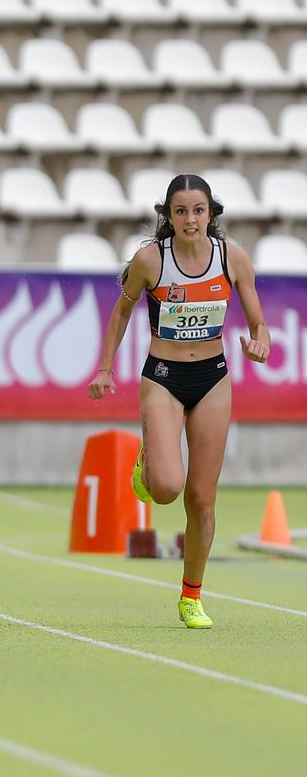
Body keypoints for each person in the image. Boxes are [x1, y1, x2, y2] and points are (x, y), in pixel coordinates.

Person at [90, 174, 268, 630]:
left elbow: (259, 323)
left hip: (213, 380)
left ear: (211, 214)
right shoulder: (151, 260)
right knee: (166, 489)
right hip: (163, 379)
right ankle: (149, 459)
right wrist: (106, 369)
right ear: (168, 216)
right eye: (181, 211)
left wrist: (260, 343)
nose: (190, 219)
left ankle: (192, 596)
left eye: (198, 210)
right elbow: (121, 312)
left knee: (202, 498)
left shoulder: (233, 259)